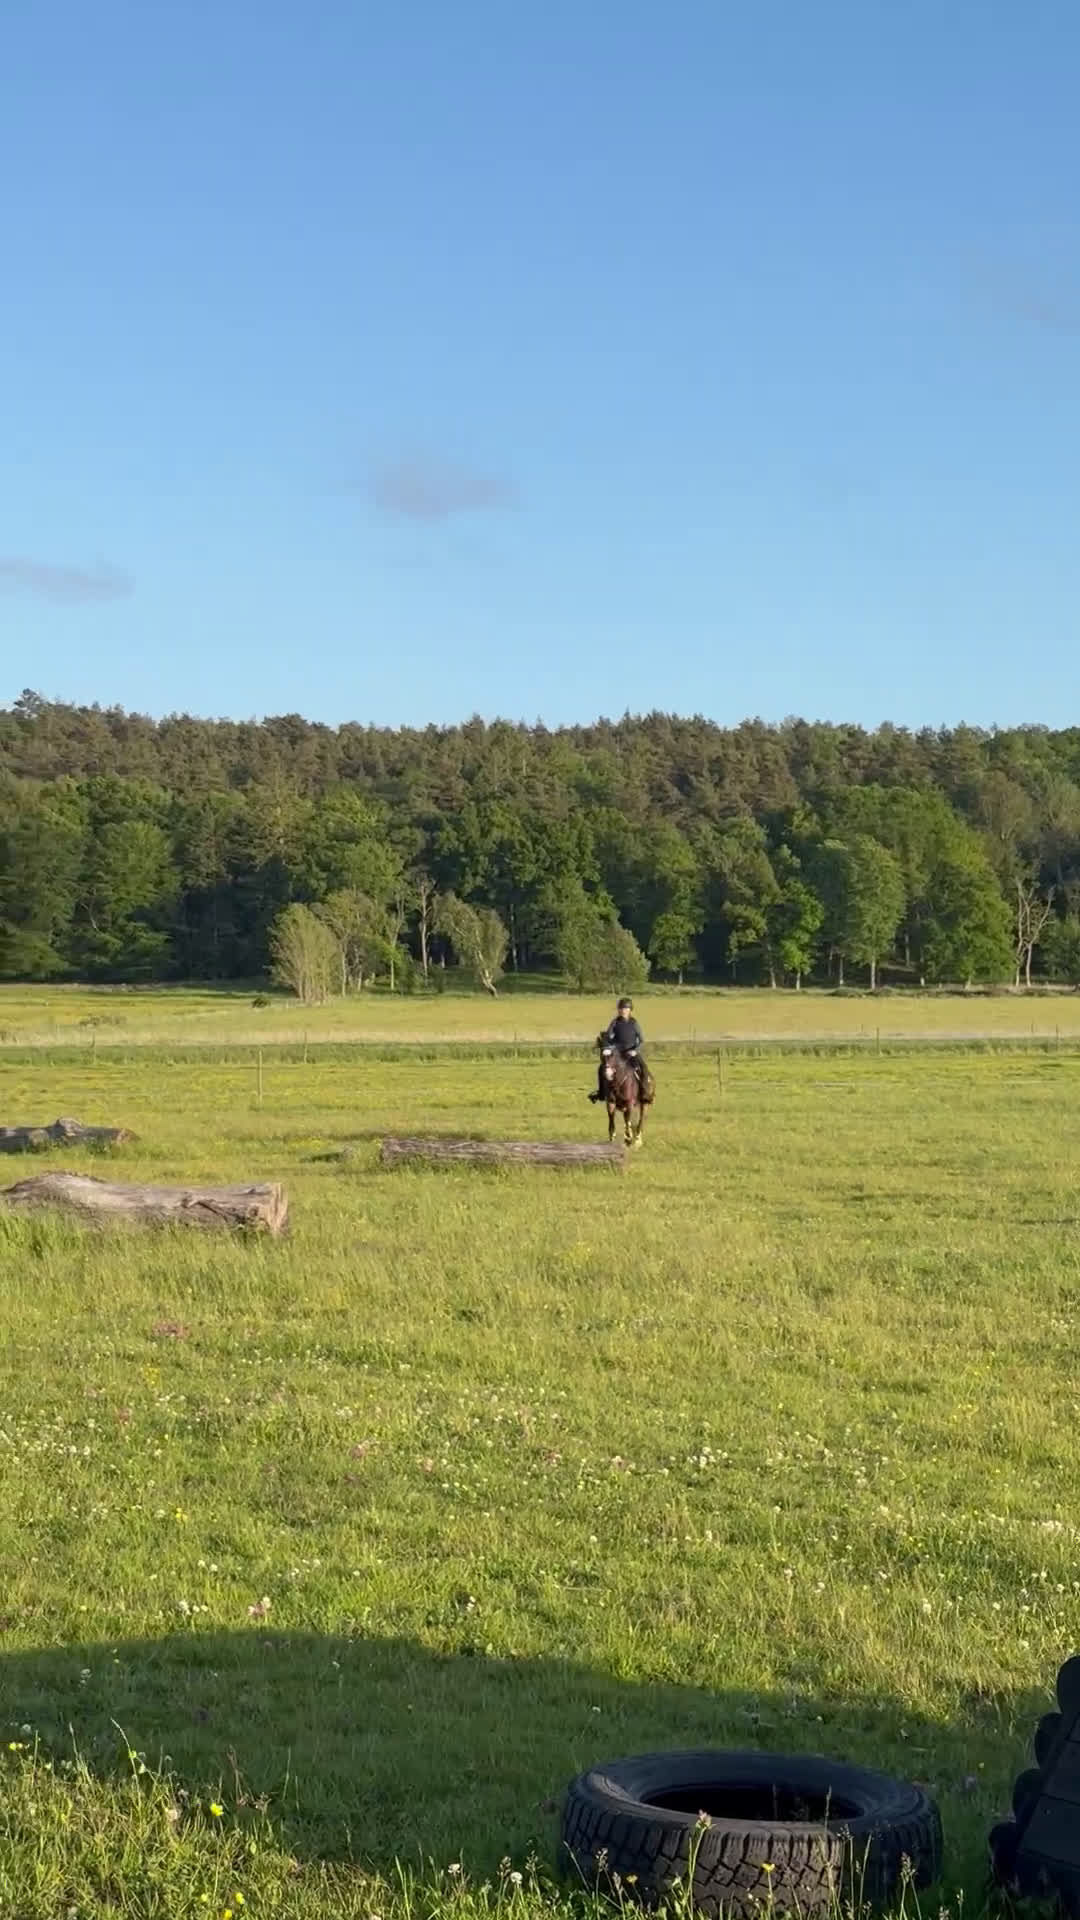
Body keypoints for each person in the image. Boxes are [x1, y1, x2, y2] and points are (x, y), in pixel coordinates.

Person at [589, 996, 648, 1102]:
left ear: (630, 1010)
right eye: (620, 1008)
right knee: (601, 1069)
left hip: (631, 1052)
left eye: (625, 1008)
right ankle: (601, 1093)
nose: (623, 1011)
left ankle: (645, 1092)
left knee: (643, 1068)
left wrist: (635, 1050)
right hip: (618, 1054)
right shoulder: (615, 1022)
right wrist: (605, 1042)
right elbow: (609, 1036)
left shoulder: (634, 1023)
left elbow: (642, 1040)